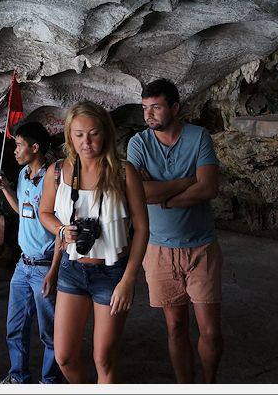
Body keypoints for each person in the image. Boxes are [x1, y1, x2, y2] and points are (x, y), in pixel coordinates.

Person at [38, 101, 149, 384]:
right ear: (68, 136)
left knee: (104, 359)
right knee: (63, 356)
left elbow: (143, 227)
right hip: (73, 270)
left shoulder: (124, 172)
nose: (86, 142)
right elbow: (44, 213)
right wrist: (62, 230)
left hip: (112, 272)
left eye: (93, 133)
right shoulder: (57, 171)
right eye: (78, 134)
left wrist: (128, 280)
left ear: (106, 134)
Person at [126, 78, 223, 383]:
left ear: (175, 107)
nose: (148, 114)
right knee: (175, 326)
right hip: (158, 250)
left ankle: (209, 383)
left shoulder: (198, 137)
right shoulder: (138, 143)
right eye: (145, 108)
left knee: (210, 330)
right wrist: (185, 182)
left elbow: (208, 188)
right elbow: (137, 194)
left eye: (155, 107)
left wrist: (161, 196)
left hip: (201, 247)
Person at [0, 121, 64, 385]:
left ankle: (50, 381)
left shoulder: (53, 179)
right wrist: (7, 189)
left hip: (45, 265)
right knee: (15, 327)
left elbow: (61, 230)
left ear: (35, 148)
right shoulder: (23, 174)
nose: (14, 150)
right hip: (23, 266)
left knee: (50, 332)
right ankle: (18, 378)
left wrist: (54, 271)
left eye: (19, 145)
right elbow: (23, 213)